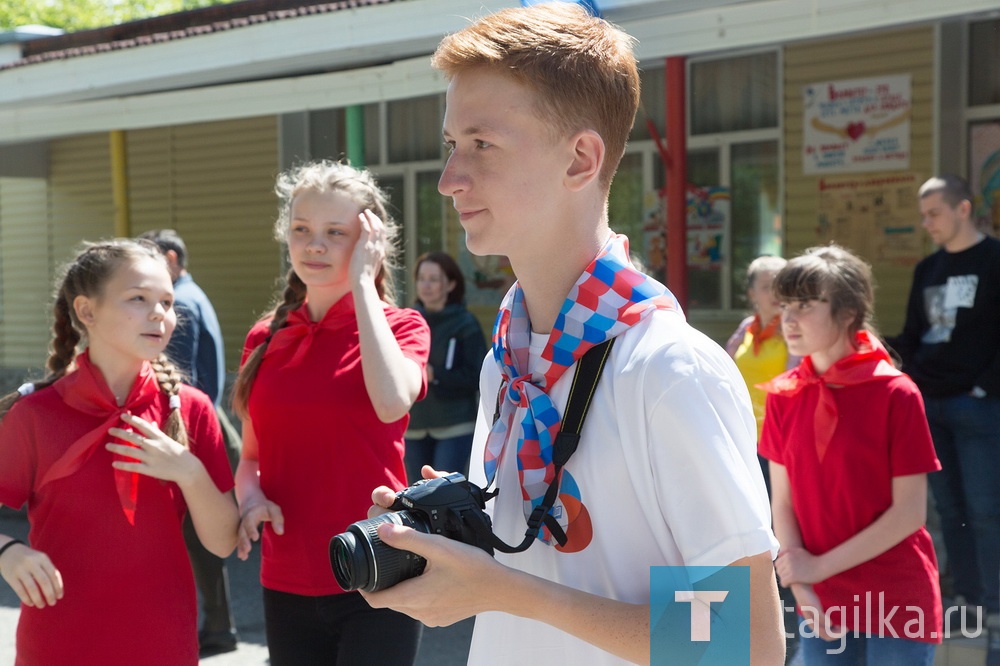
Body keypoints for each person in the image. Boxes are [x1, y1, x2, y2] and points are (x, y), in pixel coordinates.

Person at [361, 4, 784, 665]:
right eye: (452, 145)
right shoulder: (511, 358)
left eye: (482, 144)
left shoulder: (667, 370)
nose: (449, 180)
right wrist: (450, 539)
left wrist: (503, 589)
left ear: (581, 159)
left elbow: (748, 639)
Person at [0, 239, 239, 665]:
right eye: (138, 299)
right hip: (58, 644)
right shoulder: (36, 415)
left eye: (167, 301)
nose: (159, 315)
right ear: (87, 312)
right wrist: (7, 551)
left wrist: (189, 471)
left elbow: (222, 543)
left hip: (163, 641)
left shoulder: (190, 409)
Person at [231, 160, 430, 665]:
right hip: (287, 576)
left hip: (379, 566)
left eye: (335, 233)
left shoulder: (403, 327)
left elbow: (391, 404)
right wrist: (251, 497)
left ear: (369, 241)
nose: (314, 244)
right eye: (302, 229)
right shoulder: (265, 337)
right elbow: (250, 457)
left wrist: (364, 284)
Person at [760, 244, 941, 664]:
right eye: (785, 304)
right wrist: (802, 585)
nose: (788, 318)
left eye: (805, 304)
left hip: (896, 596)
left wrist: (814, 569)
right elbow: (781, 503)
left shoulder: (896, 393)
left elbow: (910, 513)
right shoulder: (784, 394)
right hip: (820, 594)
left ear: (848, 313)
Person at [888, 174, 1000, 661]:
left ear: (963, 209)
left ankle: (994, 604)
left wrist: (983, 388)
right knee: (948, 511)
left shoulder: (995, 261)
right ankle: (968, 598)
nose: (926, 222)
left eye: (934, 212)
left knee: (985, 510)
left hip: (977, 405)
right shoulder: (927, 269)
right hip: (927, 405)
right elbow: (913, 335)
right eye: (923, 213)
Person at [138, 228, 239, 656]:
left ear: (174, 259)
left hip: (192, 432)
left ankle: (216, 627)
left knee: (199, 541)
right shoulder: (191, 296)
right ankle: (218, 626)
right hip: (201, 429)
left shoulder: (183, 306)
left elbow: (175, 379)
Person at [404, 251, 487, 483]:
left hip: (455, 424)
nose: (426, 285)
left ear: (450, 284)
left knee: (440, 493)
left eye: (434, 279)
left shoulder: (465, 323)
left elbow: (476, 376)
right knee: (415, 495)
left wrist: (435, 375)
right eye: (421, 278)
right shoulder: (408, 320)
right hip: (414, 426)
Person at [726, 255, 800, 493]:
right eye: (768, 287)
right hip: (743, 435)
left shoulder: (795, 331)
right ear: (752, 294)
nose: (776, 293)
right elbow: (723, 370)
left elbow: (797, 384)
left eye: (781, 285)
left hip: (780, 439)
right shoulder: (746, 327)